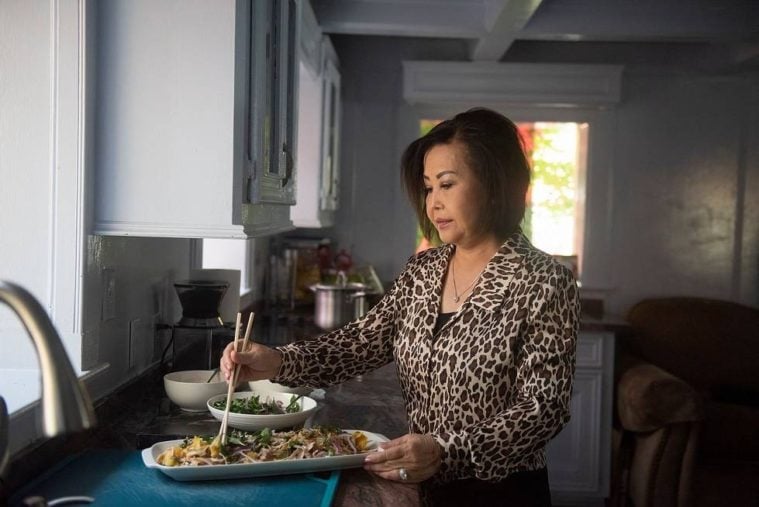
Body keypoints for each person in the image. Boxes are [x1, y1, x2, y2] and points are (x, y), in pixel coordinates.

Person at [220, 107, 580, 506]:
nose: (433, 203)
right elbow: (362, 343)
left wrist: (447, 450)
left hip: (501, 491)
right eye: (428, 188)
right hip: (420, 483)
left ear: (496, 184)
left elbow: (544, 407)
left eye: (447, 184)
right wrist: (278, 361)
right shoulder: (423, 270)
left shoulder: (545, 281)